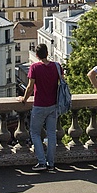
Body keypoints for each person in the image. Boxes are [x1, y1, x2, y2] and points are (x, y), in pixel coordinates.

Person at [21, 44, 61, 172]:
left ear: (37, 55)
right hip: (53, 104)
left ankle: (42, 162)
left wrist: (24, 99)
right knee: (51, 134)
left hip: (39, 105)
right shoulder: (56, 66)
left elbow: (30, 87)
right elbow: (62, 84)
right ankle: (51, 163)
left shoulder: (35, 67)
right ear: (48, 53)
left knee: (35, 133)